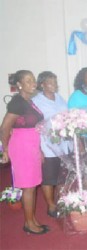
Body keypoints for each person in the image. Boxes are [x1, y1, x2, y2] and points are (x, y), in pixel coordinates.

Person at [0, 70, 48, 234]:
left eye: (33, 79)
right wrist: (5, 149)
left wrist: (39, 150)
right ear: (19, 84)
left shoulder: (29, 101)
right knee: (28, 186)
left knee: (33, 185)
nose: (33, 83)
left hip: (32, 145)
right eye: (28, 80)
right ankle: (29, 223)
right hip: (21, 146)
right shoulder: (17, 102)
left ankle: (33, 220)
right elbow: (5, 127)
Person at [32, 71, 68, 219]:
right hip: (47, 146)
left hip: (63, 144)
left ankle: (59, 201)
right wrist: (38, 148)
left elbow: (67, 115)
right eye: (50, 82)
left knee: (61, 177)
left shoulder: (59, 98)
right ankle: (51, 205)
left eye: (55, 81)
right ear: (42, 85)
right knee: (48, 177)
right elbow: (34, 125)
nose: (54, 85)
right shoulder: (36, 101)